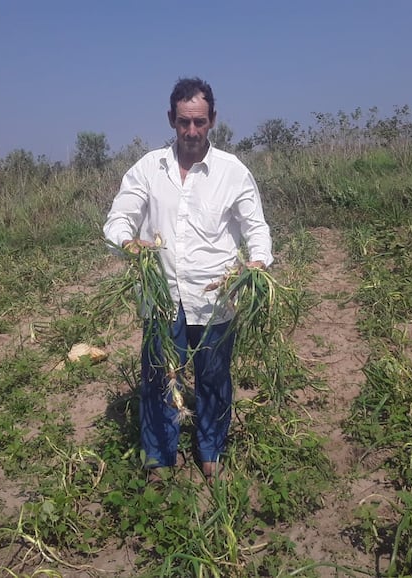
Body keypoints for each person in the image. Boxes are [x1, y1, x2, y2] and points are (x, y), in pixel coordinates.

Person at [103, 77, 273, 482]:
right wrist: (128, 242)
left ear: (212, 120)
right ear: (171, 120)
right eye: (183, 122)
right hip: (162, 298)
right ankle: (160, 455)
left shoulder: (232, 172)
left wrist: (258, 263)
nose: (192, 132)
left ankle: (210, 448)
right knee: (160, 376)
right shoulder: (148, 168)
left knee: (214, 376)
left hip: (215, 299)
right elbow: (117, 219)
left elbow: (257, 228)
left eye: (199, 122)